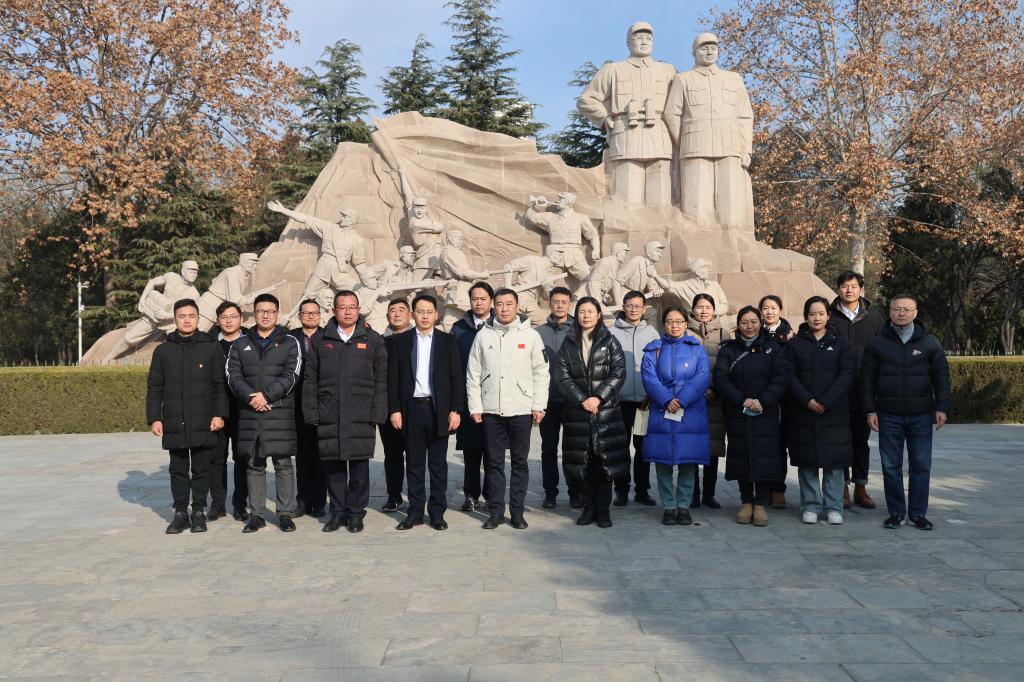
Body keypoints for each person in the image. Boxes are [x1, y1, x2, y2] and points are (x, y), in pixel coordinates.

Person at [303, 290, 389, 533]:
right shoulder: (321, 340)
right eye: (343, 307)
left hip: (361, 413)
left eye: (352, 307)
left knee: (359, 467)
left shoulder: (372, 339)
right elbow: (310, 380)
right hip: (329, 411)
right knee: (334, 467)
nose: (348, 312)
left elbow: (381, 380)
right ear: (334, 311)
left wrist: (378, 412)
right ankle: (337, 512)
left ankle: (356, 513)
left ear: (359, 310)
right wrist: (312, 413)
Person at [862, 294, 950, 531]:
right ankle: (896, 513)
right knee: (890, 466)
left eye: (906, 309)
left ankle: (918, 514)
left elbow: (941, 376)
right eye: (897, 309)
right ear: (890, 312)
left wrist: (942, 407)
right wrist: (870, 410)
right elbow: (867, 380)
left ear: (915, 313)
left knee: (921, 465)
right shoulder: (877, 344)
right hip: (888, 415)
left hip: (920, 415)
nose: (901, 313)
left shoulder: (929, 343)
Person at [466, 288, 549, 530]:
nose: (504, 309)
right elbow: (473, 374)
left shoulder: (531, 336)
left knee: (520, 462)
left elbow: (541, 373)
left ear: (517, 306)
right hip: (492, 410)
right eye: (500, 304)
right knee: (494, 463)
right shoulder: (484, 336)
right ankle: (496, 512)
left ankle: (517, 512)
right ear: (494, 306)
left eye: (509, 304)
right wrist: (475, 406)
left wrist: (539, 405)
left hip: (521, 409)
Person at [146, 299, 228, 534]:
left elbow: (219, 386)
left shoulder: (211, 348)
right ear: (175, 319)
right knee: (178, 470)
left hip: (204, 420)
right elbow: (155, 387)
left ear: (198, 318)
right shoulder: (163, 351)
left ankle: (199, 511)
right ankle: (180, 512)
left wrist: (219, 414)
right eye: (182, 316)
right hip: (174, 420)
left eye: (191, 316)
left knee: (202, 469)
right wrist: (155, 418)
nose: (187, 320)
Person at [226, 293, 302, 533]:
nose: (265, 315)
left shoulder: (290, 342)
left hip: (278, 412)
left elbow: (292, 375)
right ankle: (257, 514)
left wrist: (266, 396)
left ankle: (285, 514)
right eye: (261, 311)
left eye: (270, 311)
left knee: (283, 464)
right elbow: (233, 375)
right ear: (254, 313)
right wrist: (253, 398)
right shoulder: (240, 344)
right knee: (254, 464)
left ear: (277, 314)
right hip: (251, 414)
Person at [578, 21, 676, 207]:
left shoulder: (668, 71)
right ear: (628, 43)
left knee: (661, 200)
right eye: (638, 38)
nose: (644, 42)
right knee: (627, 201)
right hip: (626, 134)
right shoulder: (612, 70)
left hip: (659, 135)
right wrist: (604, 118)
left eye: (648, 38)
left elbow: (680, 104)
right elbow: (586, 100)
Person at [388, 294, 464, 531]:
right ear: (413, 315)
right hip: (412, 409)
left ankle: (437, 512)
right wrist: (395, 409)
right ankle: (415, 513)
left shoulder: (447, 341)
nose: (424, 316)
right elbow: (393, 378)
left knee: (438, 465)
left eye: (429, 312)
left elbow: (456, 378)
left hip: (438, 409)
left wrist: (455, 410)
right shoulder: (401, 341)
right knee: (414, 464)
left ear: (436, 315)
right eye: (420, 312)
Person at [663, 32, 754, 229]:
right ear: (694, 52)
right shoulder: (683, 79)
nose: (710, 52)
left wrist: (746, 149)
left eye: (714, 48)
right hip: (695, 150)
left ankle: (732, 241)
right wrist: (684, 141)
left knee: (731, 210)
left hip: (730, 147)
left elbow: (745, 116)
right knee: (696, 210)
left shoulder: (733, 79)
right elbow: (671, 113)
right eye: (704, 48)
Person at [555, 297, 629, 528]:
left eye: (590, 311)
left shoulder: (610, 341)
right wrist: (582, 400)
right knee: (583, 464)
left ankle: (603, 510)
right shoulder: (568, 342)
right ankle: (588, 508)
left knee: (603, 463)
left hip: (605, 413)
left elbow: (618, 372)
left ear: (598, 315)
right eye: (581, 311)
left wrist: (598, 397)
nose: (586, 315)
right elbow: (562, 376)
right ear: (576, 315)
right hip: (578, 414)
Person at [715, 306, 790, 526]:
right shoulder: (728, 350)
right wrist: (742, 400)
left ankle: (760, 503)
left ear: (760, 323)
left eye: (754, 321)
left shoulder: (773, 348)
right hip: (738, 412)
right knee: (741, 455)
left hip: (765, 412)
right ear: (738, 325)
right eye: (744, 322)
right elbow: (720, 380)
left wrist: (762, 401)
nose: (749, 326)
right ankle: (746, 502)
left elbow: (781, 378)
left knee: (765, 455)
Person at [787, 297, 855, 525]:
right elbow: (789, 375)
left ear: (828, 316)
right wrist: (806, 399)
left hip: (834, 412)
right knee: (807, 461)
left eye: (821, 313)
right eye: (812, 314)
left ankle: (834, 506)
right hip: (804, 410)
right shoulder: (795, 344)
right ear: (806, 317)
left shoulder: (841, 343)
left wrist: (826, 401)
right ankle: (810, 505)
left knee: (834, 462)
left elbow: (847, 373)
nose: (816, 318)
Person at [641, 306, 711, 526]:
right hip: (662, 411)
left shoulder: (696, 349)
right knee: (662, 462)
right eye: (670, 321)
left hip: (690, 411)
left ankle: (684, 506)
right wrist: (666, 399)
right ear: (664, 324)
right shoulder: (653, 349)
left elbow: (702, 376)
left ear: (686, 324)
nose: (675, 325)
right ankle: (669, 507)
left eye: (679, 321)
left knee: (687, 462)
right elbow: (649, 378)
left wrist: (681, 400)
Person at [829, 270, 884, 510]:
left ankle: (860, 487)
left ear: (862, 289)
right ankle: (841, 488)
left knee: (861, 441)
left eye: (853, 286)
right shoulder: (828, 316)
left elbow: (882, 352)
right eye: (844, 286)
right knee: (839, 441)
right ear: (838, 289)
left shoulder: (874, 318)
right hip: (837, 391)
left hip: (864, 390)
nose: (849, 290)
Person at [608, 290, 660, 507]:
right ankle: (621, 490)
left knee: (643, 448)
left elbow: (659, 365)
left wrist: (654, 393)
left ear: (644, 308)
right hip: (619, 401)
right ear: (623, 306)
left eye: (638, 306)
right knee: (620, 449)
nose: (633, 309)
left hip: (645, 402)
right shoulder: (611, 332)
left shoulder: (652, 334)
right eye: (629, 305)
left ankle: (642, 490)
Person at [450, 281, 494, 512]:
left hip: (496, 399)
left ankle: (492, 496)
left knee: (493, 453)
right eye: (474, 299)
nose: (479, 303)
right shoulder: (458, 329)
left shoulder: (501, 325)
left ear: (491, 301)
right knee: (471, 452)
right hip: (468, 399)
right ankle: (471, 495)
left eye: (483, 299)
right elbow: (453, 367)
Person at [687, 293, 731, 509]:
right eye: (699, 307)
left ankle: (709, 494)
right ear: (693, 309)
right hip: (691, 400)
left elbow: (727, 366)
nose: (703, 311)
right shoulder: (685, 331)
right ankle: (693, 493)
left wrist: (714, 389)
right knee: (691, 448)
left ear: (714, 310)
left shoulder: (724, 333)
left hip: (716, 399)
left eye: (707, 307)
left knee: (712, 448)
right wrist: (697, 390)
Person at [537, 287, 579, 509]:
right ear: (550, 303)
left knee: (573, 450)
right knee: (549, 449)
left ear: (570, 304)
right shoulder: (538, 332)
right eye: (556, 301)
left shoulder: (579, 330)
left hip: (573, 400)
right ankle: (550, 492)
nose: (560, 305)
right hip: (548, 400)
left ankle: (575, 493)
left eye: (564, 301)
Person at [289, 299, 326, 518]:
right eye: (306, 313)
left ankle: (319, 501)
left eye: (314, 313)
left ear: (320, 315)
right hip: (296, 405)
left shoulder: (328, 336)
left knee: (321, 456)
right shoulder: (290, 338)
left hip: (322, 404)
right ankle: (302, 501)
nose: (310, 316)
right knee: (302, 456)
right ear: (300, 315)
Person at [213, 301, 249, 521]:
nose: (228, 321)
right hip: (217, 412)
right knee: (216, 459)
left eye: (233, 316)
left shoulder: (250, 342)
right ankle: (217, 505)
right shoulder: (209, 345)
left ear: (241, 319)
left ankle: (240, 504)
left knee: (242, 458)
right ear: (218, 320)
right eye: (224, 317)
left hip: (244, 411)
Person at [759, 294, 794, 509]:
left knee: (780, 444)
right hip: (760, 396)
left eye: (773, 307)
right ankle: (762, 488)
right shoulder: (756, 332)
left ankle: (778, 488)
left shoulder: (790, 336)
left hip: (783, 398)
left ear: (780, 310)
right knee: (762, 443)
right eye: (765, 308)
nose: (769, 312)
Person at [380, 298, 413, 512]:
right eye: (393, 310)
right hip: (387, 407)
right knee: (392, 455)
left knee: (414, 455)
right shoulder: (380, 342)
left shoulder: (419, 340)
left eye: (402, 310)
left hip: (414, 406)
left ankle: (415, 497)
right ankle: (394, 495)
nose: (397, 313)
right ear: (387, 316)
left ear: (410, 315)